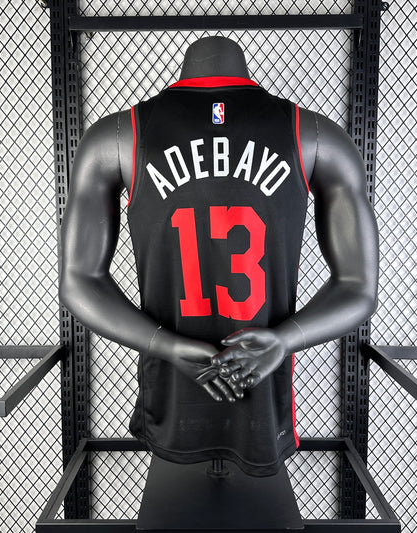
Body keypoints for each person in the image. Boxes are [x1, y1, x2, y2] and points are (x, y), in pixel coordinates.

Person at [59, 36, 379, 477]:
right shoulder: (317, 136)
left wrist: (166, 345)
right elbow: (359, 289)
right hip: (260, 391)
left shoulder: (115, 136)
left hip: (173, 393)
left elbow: (79, 282)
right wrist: (282, 340)